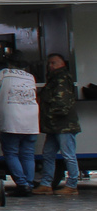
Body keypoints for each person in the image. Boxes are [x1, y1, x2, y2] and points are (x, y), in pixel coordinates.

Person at [0, 54, 40, 196]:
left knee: (11, 152)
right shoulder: (30, 77)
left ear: (9, 64)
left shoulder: (3, 75)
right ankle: (29, 183)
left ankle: (22, 185)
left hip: (11, 120)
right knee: (28, 154)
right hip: (32, 121)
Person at [36, 53, 80, 195]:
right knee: (48, 154)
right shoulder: (56, 79)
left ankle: (72, 185)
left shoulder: (61, 79)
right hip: (55, 125)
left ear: (62, 64)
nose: (50, 66)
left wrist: (48, 114)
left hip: (63, 125)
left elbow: (62, 103)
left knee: (68, 155)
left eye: (53, 63)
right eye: (49, 63)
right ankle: (46, 184)